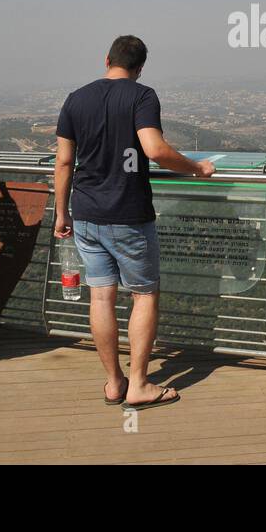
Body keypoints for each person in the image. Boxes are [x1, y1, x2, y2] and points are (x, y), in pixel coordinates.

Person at [52, 36, 214, 411]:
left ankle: (113, 383)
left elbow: (64, 162)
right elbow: (154, 150)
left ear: (106, 59)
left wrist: (62, 213)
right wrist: (196, 168)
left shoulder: (76, 98)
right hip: (128, 215)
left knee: (101, 297)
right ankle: (139, 383)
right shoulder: (142, 96)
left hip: (86, 213)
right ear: (140, 67)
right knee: (143, 295)